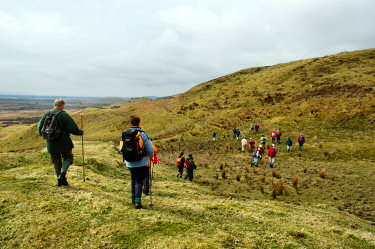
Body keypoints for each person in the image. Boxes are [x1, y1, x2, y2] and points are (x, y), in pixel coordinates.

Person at [38, 99, 84, 187]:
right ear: (62, 105)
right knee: (68, 158)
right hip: (64, 143)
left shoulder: (46, 114)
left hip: (51, 143)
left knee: (56, 162)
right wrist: (80, 132)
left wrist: (48, 137)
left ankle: (60, 181)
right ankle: (62, 174)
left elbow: (40, 128)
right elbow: (73, 128)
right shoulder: (64, 115)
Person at [121, 115, 154, 209]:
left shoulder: (125, 133)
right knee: (139, 181)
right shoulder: (142, 134)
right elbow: (150, 149)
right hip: (141, 161)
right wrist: (151, 158)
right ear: (139, 123)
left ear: (130, 123)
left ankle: (133, 197)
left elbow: (121, 148)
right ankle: (137, 202)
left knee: (133, 179)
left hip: (129, 162)